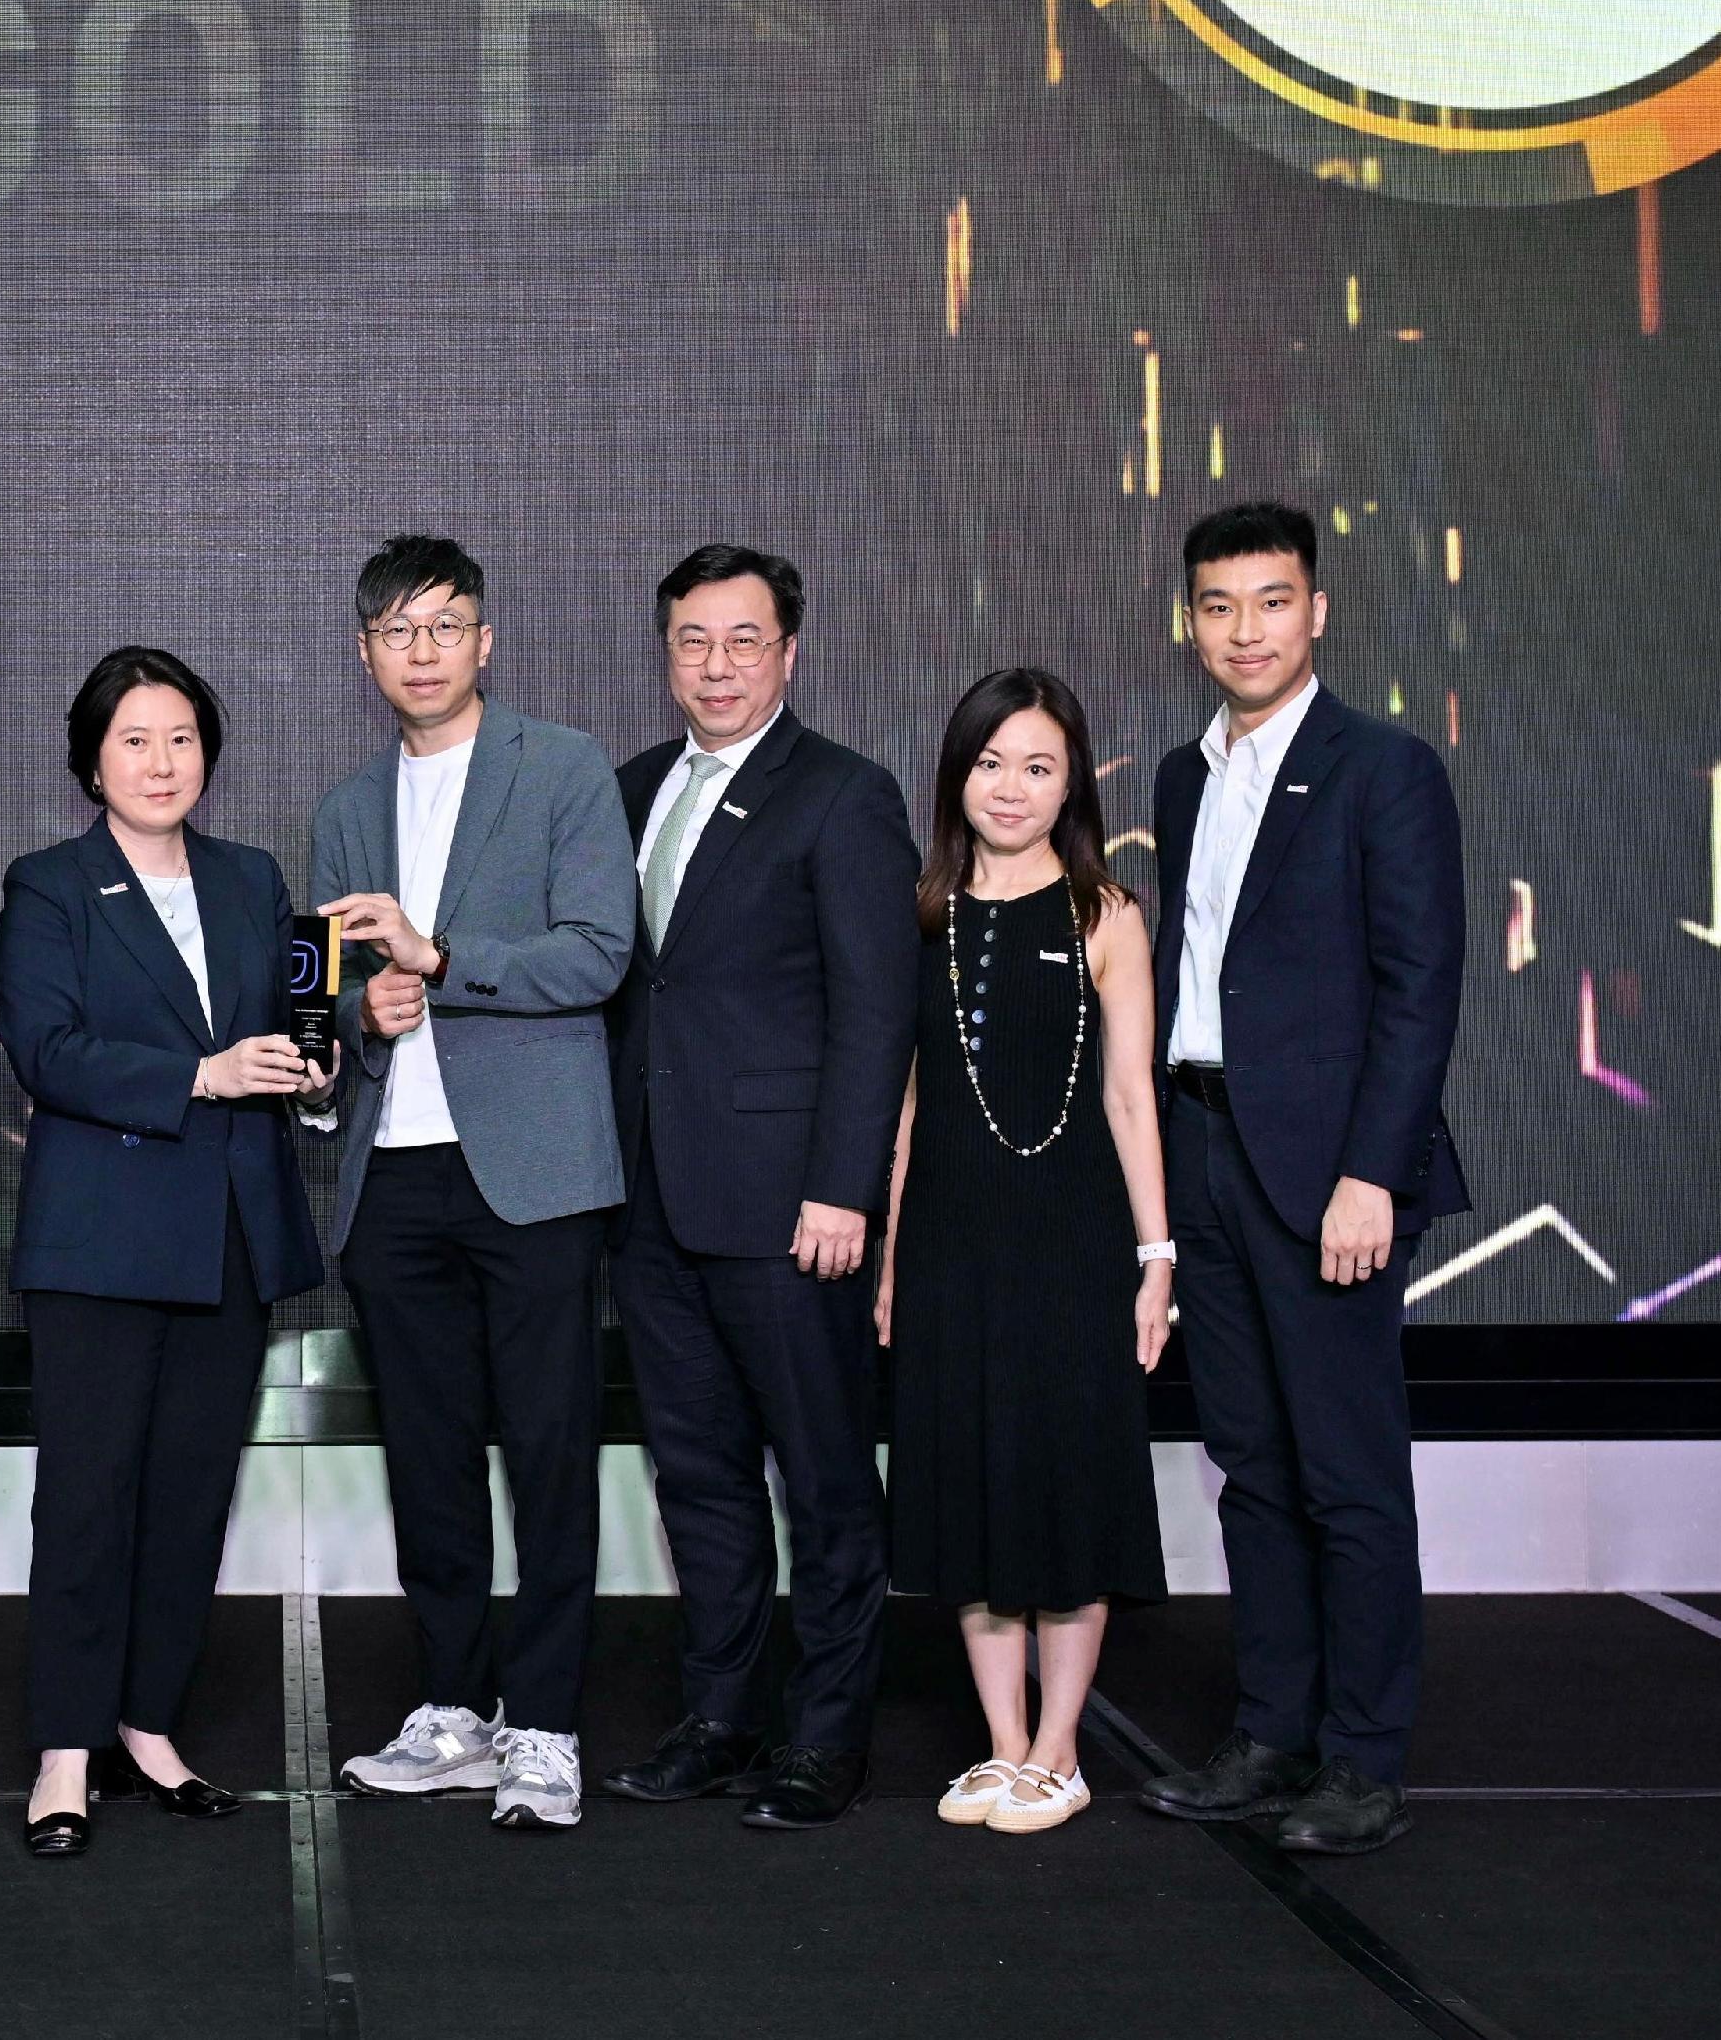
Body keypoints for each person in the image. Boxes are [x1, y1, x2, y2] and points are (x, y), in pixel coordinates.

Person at [1131, 501, 1467, 1857]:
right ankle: (1271, 1731)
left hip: (1327, 1171)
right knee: (1252, 1467)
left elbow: (1419, 987)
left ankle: (1363, 1757)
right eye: (1219, 605)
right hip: (1204, 1146)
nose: (1246, 629)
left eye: (1272, 600)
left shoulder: (1384, 766)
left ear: (1316, 610)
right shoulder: (1182, 774)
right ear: (1191, 621)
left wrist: (1371, 1172)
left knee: (1348, 1471)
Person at [312, 533, 636, 1832]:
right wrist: (363, 1009)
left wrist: (440, 958)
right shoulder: (344, 806)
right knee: (427, 1454)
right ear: (365, 653)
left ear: (485, 640)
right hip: (391, 1175)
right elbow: (328, 992)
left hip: (535, 1172)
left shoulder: (561, 766)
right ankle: (452, 1707)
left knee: (550, 1452)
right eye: (397, 630)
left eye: (445, 625)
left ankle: (544, 1722)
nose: (423, 650)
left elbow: (599, 951)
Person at [598, 546, 917, 1830]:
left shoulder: (843, 793)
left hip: (791, 1207)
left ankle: (828, 1734)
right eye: (692, 639)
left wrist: (844, 1189)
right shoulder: (628, 789)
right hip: (649, 1198)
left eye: (743, 639)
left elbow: (876, 1009)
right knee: (697, 1472)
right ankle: (720, 1714)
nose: (716, 664)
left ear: (789, 651)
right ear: (665, 652)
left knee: (825, 1476)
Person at [0, 648, 330, 1858]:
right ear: (92, 761)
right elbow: (46, 1049)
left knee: (190, 1498)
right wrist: (202, 1073)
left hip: (227, 1236)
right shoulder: (50, 884)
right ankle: (64, 1750)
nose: (160, 761)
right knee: (87, 1499)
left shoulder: (252, 879)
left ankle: (148, 1726)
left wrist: (317, 1066)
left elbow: (295, 1029)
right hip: (99, 1239)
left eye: (181, 737)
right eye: (133, 739)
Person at [878, 667, 1172, 1837]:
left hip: (1075, 1245)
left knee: (1065, 1483)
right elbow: (908, 1103)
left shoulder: (1107, 913)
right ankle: (1003, 1744)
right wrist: (891, 1259)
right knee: (967, 1483)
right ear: (958, 773)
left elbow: (1131, 1097)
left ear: (1072, 782)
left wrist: (1156, 1257)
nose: (1010, 787)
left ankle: (1060, 1750)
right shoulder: (922, 910)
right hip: (947, 1246)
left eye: (1038, 765)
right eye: (990, 762)